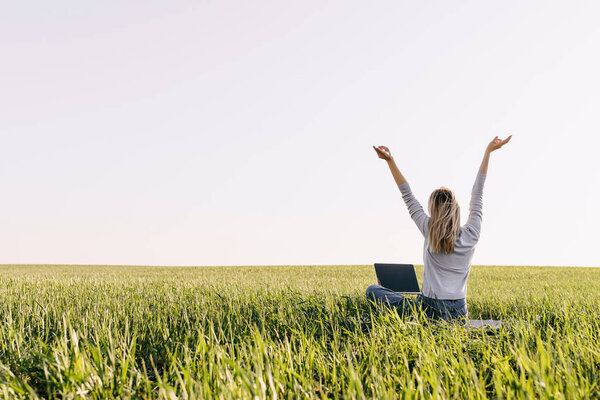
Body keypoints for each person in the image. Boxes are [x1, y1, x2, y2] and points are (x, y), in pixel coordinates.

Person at [366, 135, 512, 323]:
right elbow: (478, 192)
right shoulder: (472, 233)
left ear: (433, 209)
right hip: (460, 311)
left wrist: (390, 161)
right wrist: (488, 152)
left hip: (429, 309)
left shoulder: (429, 229)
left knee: (373, 290)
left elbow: (407, 195)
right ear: (456, 208)